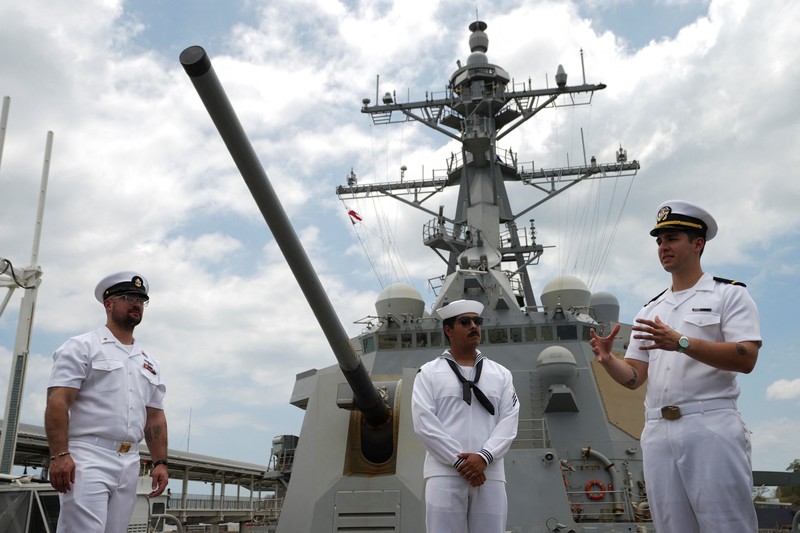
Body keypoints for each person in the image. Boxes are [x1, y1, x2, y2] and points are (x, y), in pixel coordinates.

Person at [589, 200, 761, 533]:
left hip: (709, 422)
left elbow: (747, 357)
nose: (663, 247)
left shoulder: (729, 295)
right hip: (657, 430)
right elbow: (635, 377)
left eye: (672, 238)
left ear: (698, 244)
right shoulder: (650, 309)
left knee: (727, 525)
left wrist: (682, 342)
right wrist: (609, 361)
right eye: (659, 241)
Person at [45, 271, 169, 533]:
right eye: (127, 297)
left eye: (140, 299)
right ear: (108, 303)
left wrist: (160, 462)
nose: (136, 303)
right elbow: (58, 402)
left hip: (130, 460)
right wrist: (59, 454)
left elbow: (155, 416)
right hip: (88, 455)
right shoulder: (82, 346)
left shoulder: (149, 362)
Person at [412, 299, 520, 533]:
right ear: (448, 330)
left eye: (477, 321)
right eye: (465, 321)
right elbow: (424, 424)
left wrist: (484, 457)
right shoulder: (428, 374)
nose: (474, 326)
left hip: (489, 473)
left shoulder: (501, 374)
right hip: (445, 473)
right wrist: (460, 462)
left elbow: (509, 421)